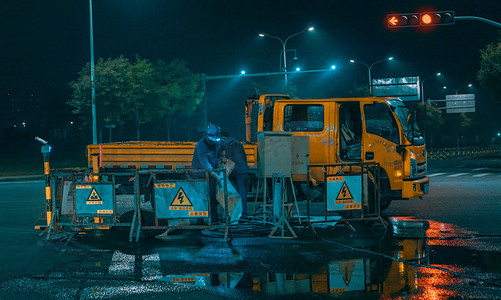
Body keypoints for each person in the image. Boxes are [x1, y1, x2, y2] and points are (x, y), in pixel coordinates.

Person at [192, 123, 222, 223]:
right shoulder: (201, 146)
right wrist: (218, 178)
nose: (212, 142)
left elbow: (219, 157)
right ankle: (199, 222)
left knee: (213, 198)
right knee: (201, 198)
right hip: (199, 175)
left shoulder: (217, 143)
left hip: (211, 175)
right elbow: (207, 167)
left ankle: (214, 221)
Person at [220, 136, 249, 217]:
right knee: (243, 195)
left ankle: (238, 215)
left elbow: (226, 158)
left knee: (236, 195)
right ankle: (244, 214)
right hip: (245, 171)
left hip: (237, 173)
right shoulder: (237, 143)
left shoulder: (226, 144)